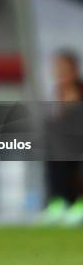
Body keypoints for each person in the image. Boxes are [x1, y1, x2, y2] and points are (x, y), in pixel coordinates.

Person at [41, 50, 83, 226]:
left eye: (63, 69)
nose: (59, 73)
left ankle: (78, 204)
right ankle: (59, 202)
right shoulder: (58, 92)